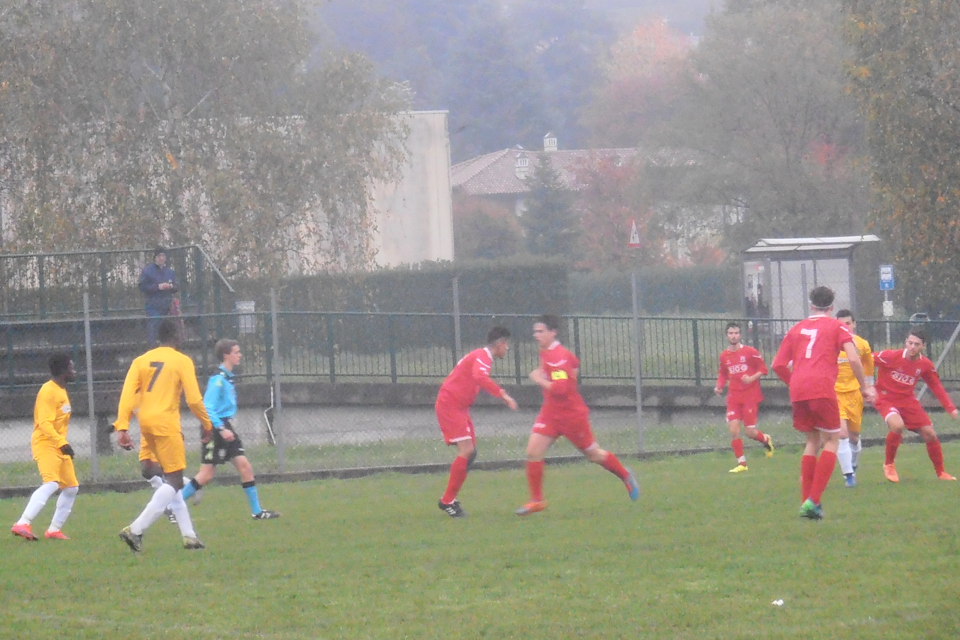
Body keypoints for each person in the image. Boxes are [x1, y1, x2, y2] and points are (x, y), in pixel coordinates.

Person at [515, 314, 640, 516]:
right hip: (550, 414)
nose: (536, 335)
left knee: (594, 455)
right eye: (535, 331)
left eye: (540, 331)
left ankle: (625, 475)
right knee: (532, 452)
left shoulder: (558, 357)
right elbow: (574, 364)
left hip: (572, 417)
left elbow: (561, 389)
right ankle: (537, 500)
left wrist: (539, 379)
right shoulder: (548, 351)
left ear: (553, 332)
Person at [772, 287, 876, 520]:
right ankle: (814, 500)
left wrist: (795, 382)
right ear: (831, 307)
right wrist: (864, 387)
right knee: (833, 439)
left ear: (811, 305)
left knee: (812, 440)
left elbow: (778, 365)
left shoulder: (796, 328)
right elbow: (852, 358)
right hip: (821, 387)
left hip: (798, 388)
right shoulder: (837, 326)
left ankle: (805, 504)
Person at [114, 317, 213, 552]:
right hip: (166, 422)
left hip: (145, 422)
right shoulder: (182, 360)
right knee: (175, 480)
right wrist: (207, 424)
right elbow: (193, 399)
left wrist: (122, 426)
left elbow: (127, 394)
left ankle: (189, 536)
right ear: (177, 336)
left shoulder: (141, 361)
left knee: (166, 476)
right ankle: (135, 530)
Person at [178, 339, 280, 520]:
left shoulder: (226, 378)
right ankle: (173, 506)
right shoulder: (218, 379)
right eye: (236, 352)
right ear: (226, 355)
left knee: (245, 467)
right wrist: (221, 428)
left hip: (224, 424)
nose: (239, 355)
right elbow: (207, 408)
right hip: (215, 427)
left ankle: (257, 512)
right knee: (206, 474)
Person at [435, 326, 518, 517]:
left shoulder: (480, 355)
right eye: (507, 345)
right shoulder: (483, 356)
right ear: (500, 344)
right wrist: (503, 395)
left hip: (459, 407)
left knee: (470, 453)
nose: (507, 349)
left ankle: (449, 500)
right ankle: (447, 501)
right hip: (450, 405)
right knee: (467, 451)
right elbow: (479, 377)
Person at [875, 328, 959, 483]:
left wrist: (950, 407)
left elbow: (936, 386)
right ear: (905, 342)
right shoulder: (890, 356)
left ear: (923, 346)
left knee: (930, 434)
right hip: (886, 398)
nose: (912, 346)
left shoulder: (925, 364)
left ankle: (941, 473)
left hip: (908, 401)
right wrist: (866, 384)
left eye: (916, 344)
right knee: (897, 426)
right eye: (910, 342)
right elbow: (865, 360)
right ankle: (889, 464)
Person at [10, 353, 80, 541]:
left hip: (58, 445)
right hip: (46, 443)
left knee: (71, 487)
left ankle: (54, 530)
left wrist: (62, 444)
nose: (74, 371)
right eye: (72, 368)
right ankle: (22, 523)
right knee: (51, 483)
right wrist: (62, 443)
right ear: (64, 371)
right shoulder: (48, 391)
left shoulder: (60, 390)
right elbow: (44, 423)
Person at [714, 321, 774, 473]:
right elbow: (723, 373)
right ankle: (742, 464)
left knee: (749, 432)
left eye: (736, 333)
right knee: (734, 431)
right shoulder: (724, 356)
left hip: (750, 397)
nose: (733, 336)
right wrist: (719, 386)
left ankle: (766, 440)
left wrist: (752, 378)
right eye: (730, 333)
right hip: (734, 397)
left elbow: (763, 369)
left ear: (740, 335)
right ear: (726, 335)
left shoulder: (750, 352)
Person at [833, 310, 875, 488]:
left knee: (854, 437)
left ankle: (853, 464)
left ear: (854, 324)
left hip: (854, 394)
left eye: (848, 323)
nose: (846, 327)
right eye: (842, 324)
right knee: (841, 433)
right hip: (834, 393)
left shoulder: (862, 345)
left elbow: (868, 365)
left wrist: (869, 387)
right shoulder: (831, 344)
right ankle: (848, 476)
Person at [139, 247, 178, 345]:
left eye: (163, 255)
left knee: (168, 329)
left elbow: (176, 287)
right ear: (155, 258)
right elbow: (142, 287)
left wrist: (171, 286)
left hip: (167, 306)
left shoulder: (170, 272)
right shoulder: (148, 271)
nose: (161, 258)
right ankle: (152, 348)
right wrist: (158, 287)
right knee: (154, 327)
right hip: (153, 306)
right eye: (159, 255)